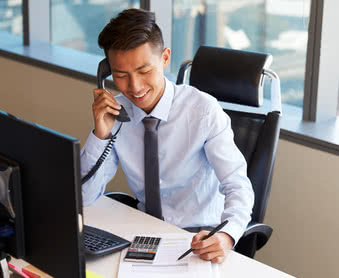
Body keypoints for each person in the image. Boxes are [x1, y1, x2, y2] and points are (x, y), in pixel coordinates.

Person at [81, 8, 254, 264]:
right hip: (142, 233)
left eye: (143, 71)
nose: (135, 87)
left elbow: (237, 185)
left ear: (165, 58)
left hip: (197, 239)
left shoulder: (203, 112)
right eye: (121, 76)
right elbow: (83, 197)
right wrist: (100, 134)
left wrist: (227, 235)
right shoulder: (116, 113)